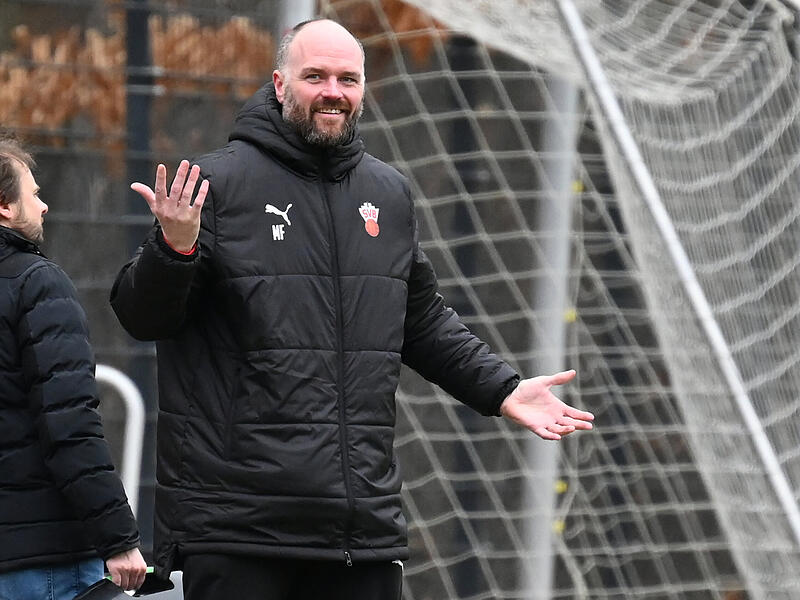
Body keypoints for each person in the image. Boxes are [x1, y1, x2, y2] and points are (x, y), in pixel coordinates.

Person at [110, 18, 594, 600]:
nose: (333, 92)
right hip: (238, 530)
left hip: (358, 531)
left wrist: (503, 389)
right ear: (280, 83)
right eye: (315, 76)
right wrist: (174, 248)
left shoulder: (387, 193)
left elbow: (420, 320)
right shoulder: (215, 185)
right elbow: (143, 317)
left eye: (348, 78)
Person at [0, 138, 147, 599]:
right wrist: (119, 538)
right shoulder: (37, 283)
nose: (43, 207)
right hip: (46, 560)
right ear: (4, 206)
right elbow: (70, 425)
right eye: (34, 193)